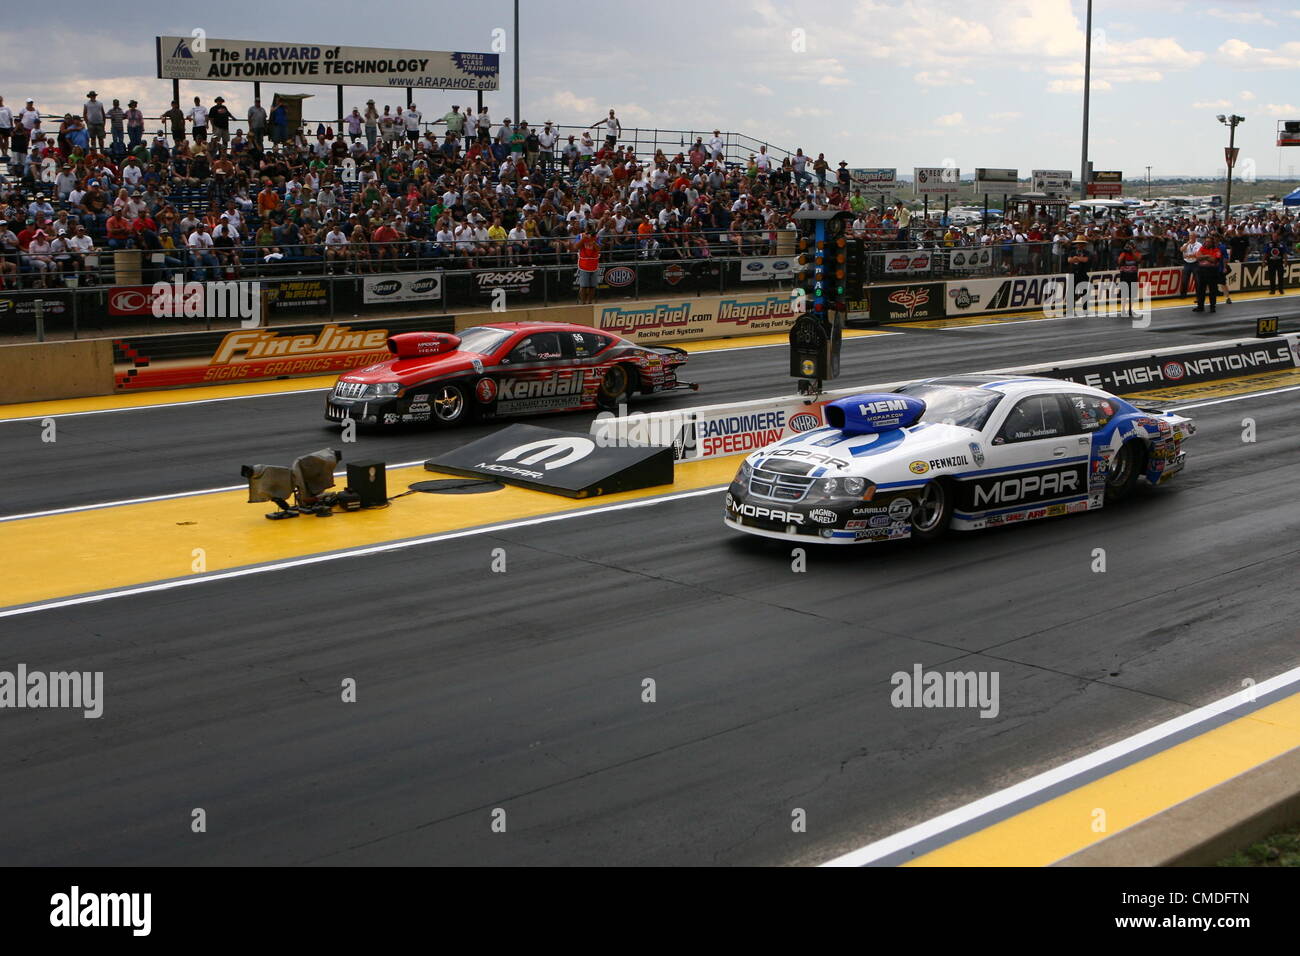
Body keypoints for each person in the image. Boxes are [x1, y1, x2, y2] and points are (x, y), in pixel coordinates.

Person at [1192, 234, 1222, 313]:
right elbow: (1198, 257)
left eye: (1209, 242)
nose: (1207, 243)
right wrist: (1208, 256)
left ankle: (1212, 307)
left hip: (1212, 271)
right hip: (1202, 271)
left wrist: (1204, 257)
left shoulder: (1216, 250)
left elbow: (1214, 260)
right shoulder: (1202, 248)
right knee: (1200, 290)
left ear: (1212, 243)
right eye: (1206, 241)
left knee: (1212, 290)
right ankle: (1200, 306)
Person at [1067, 237, 1093, 315]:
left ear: (1084, 245)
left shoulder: (1087, 252)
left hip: (1083, 273)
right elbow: (1069, 260)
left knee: (1085, 292)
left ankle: (1085, 308)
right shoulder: (1072, 252)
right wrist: (1078, 259)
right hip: (1074, 273)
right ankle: (1071, 308)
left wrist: (1076, 258)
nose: (1080, 245)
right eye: (1079, 243)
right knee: (1071, 292)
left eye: (1082, 243)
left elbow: (1085, 260)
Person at [1116, 240, 1142, 318]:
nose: (1129, 248)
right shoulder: (1123, 253)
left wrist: (1132, 252)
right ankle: (1123, 309)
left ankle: (1130, 309)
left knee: (1132, 294)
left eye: (1131, 246)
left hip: (1133, 275)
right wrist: (1124, 253)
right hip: (1124, 275)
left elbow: (1138, 259)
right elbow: (1119, 261)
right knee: (1124, 293)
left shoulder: (1137, 253)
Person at [576, 226, 601, 304]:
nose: (590, 233)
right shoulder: (580, 236)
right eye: (588, 231)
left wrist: (593, 241)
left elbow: (599, 249)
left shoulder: (596, 237)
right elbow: (576, 247)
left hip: (594, 265)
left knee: (592, 286)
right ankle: (583, 302)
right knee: (583, 286)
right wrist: (584, 239)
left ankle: (590, 302)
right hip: (584, 265)